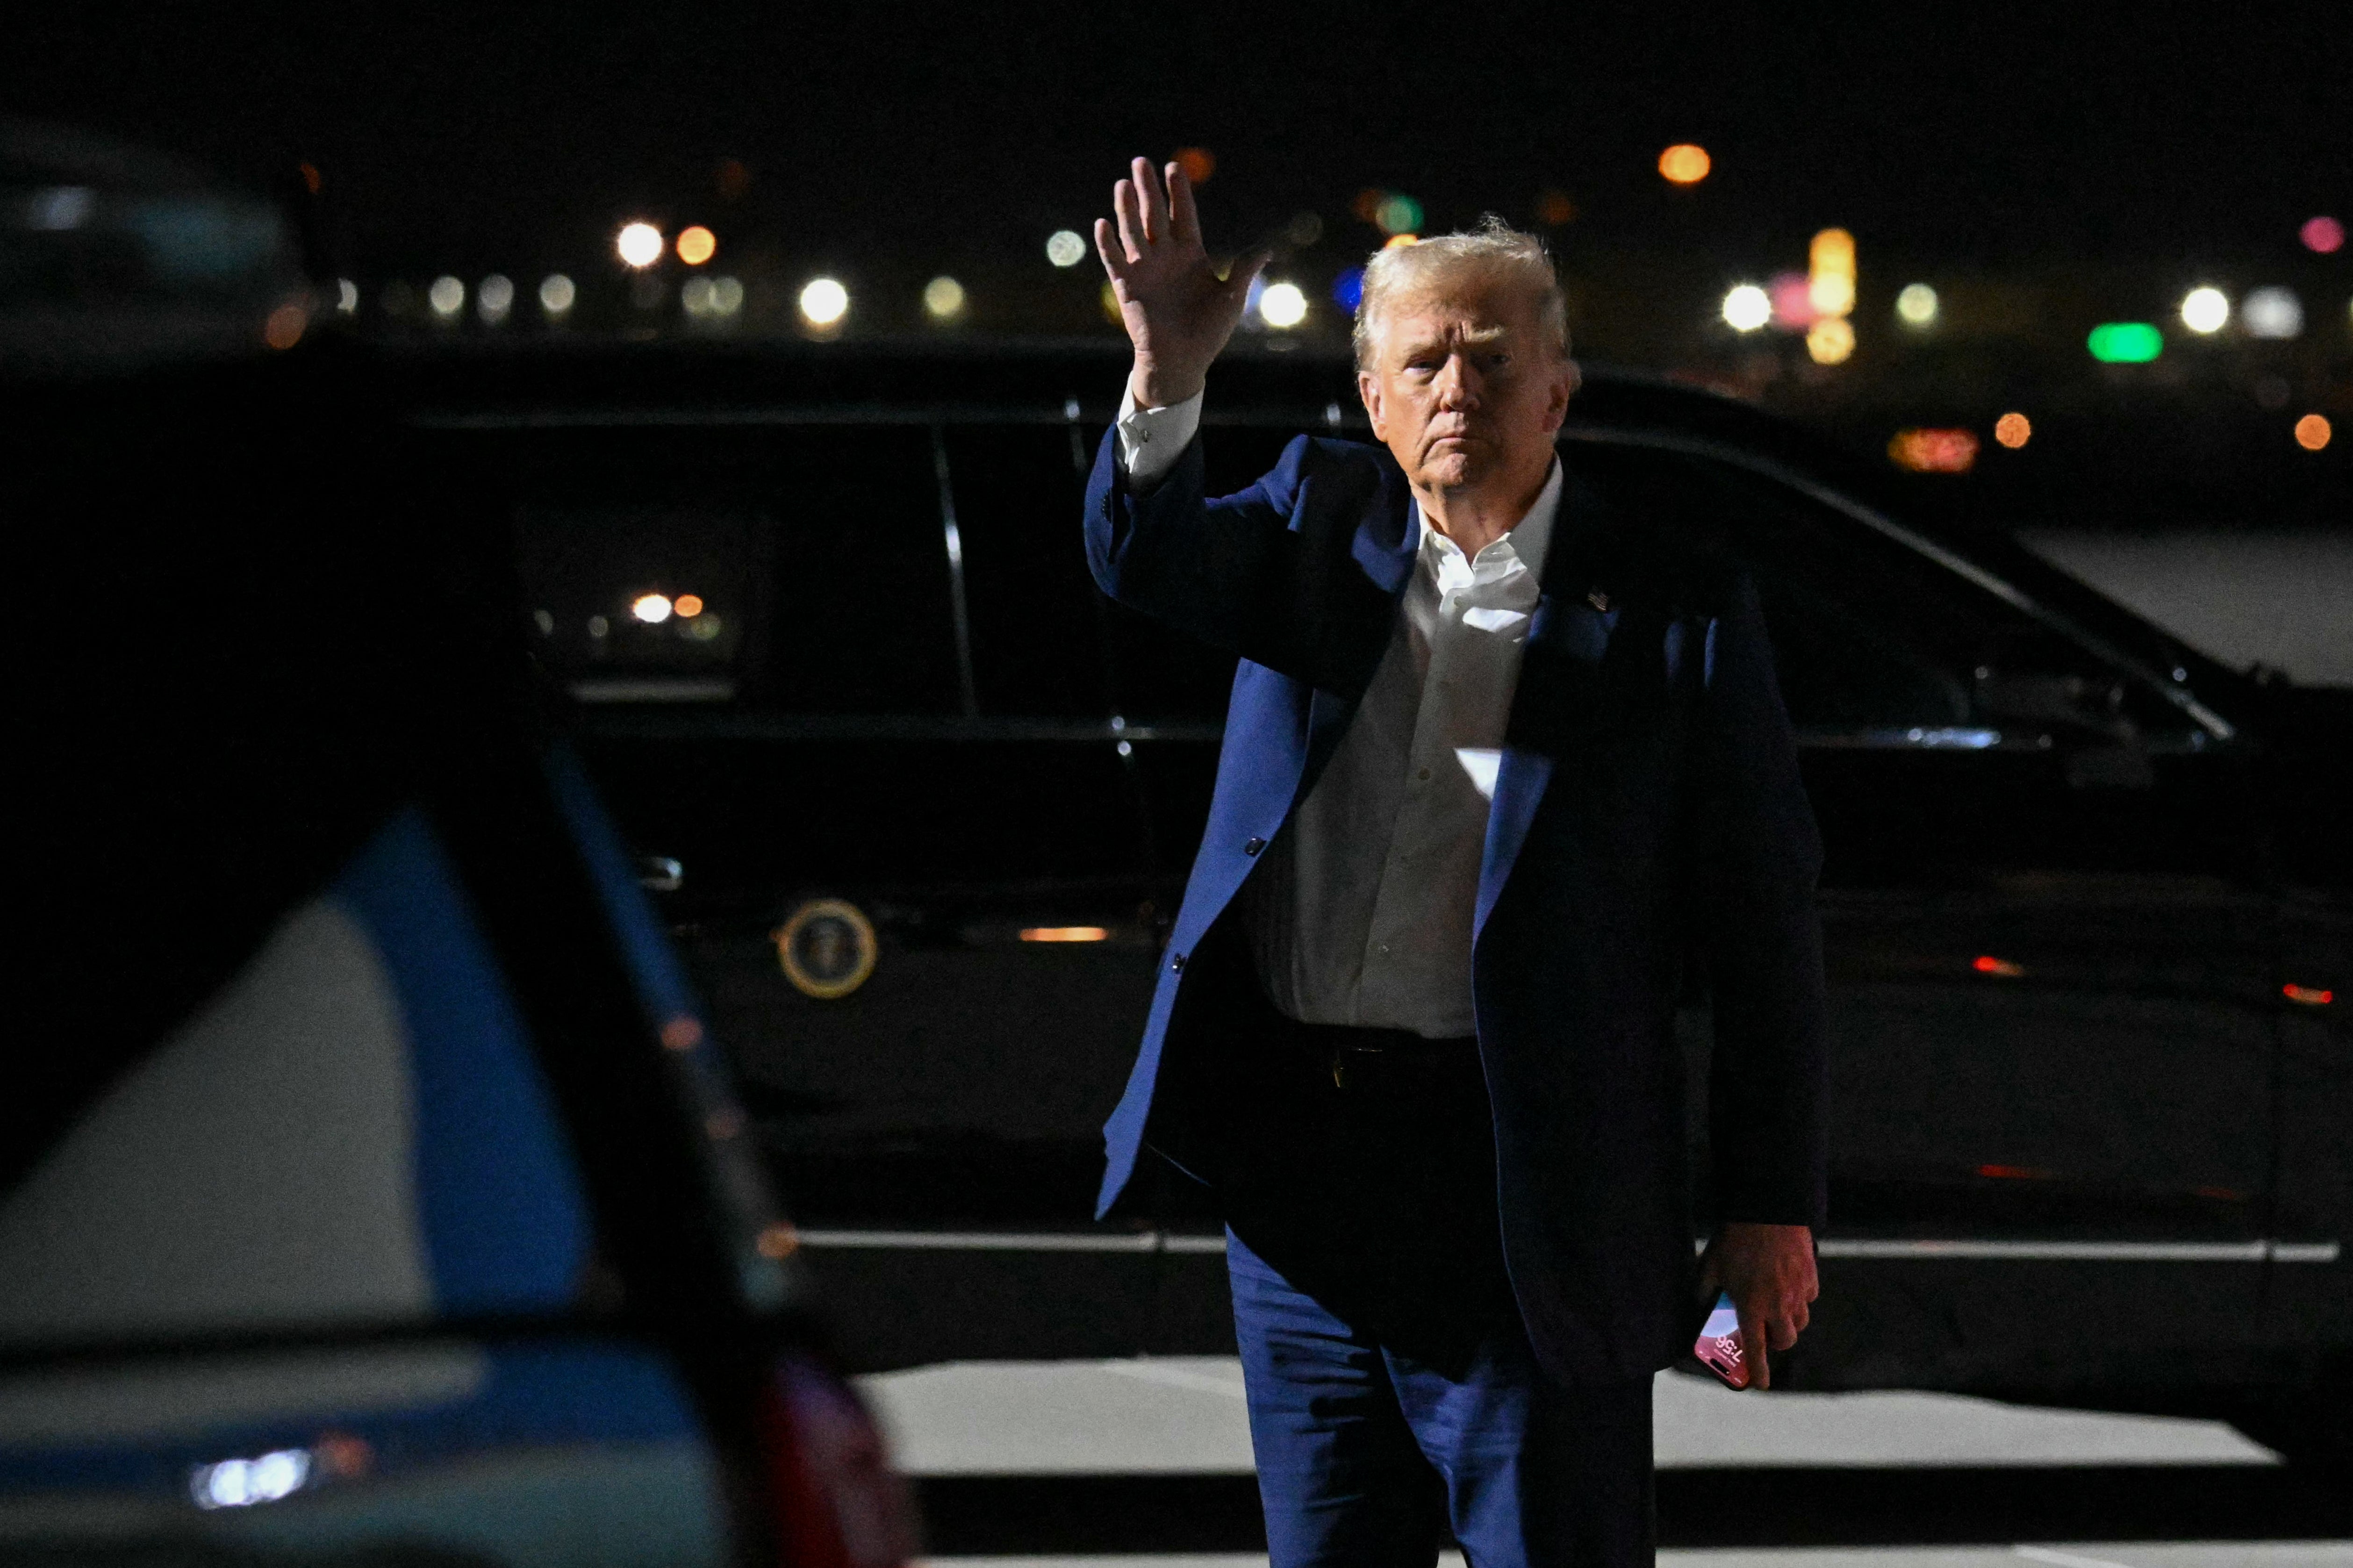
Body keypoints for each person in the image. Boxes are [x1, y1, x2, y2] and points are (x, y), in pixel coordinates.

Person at [1083, 157, 1828, 1568]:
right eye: (1419, 359)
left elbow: (1761, 925)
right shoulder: (1313, 526)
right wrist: (1164, 370)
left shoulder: (1674, 607)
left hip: (1528, 1187)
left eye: (1491, 357)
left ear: (1558, 392)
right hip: (1301, 1177)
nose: (1453, 387)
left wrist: (1766, 1203)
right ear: (1371, 400)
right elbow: (1139, 555)